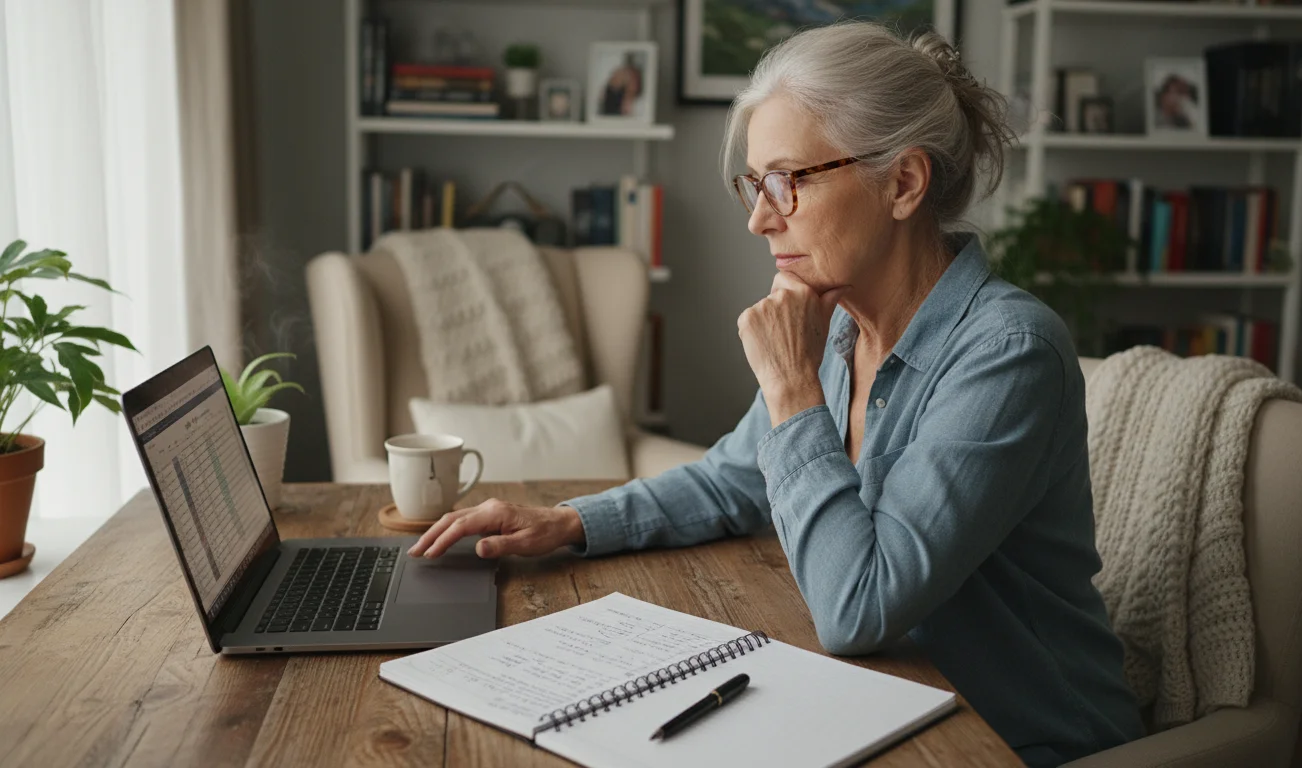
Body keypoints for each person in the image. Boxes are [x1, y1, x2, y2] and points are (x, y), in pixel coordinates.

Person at [408, 21, 1143, 768]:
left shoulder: (1007, 353)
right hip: (892, 706)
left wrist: (791, 386)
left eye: (790, 180)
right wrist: (565, 522)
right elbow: (735, 476)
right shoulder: (837, 324)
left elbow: (861, 607)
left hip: (1023, 741)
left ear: (904, 183)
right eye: (755, 184)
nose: (761, 218)